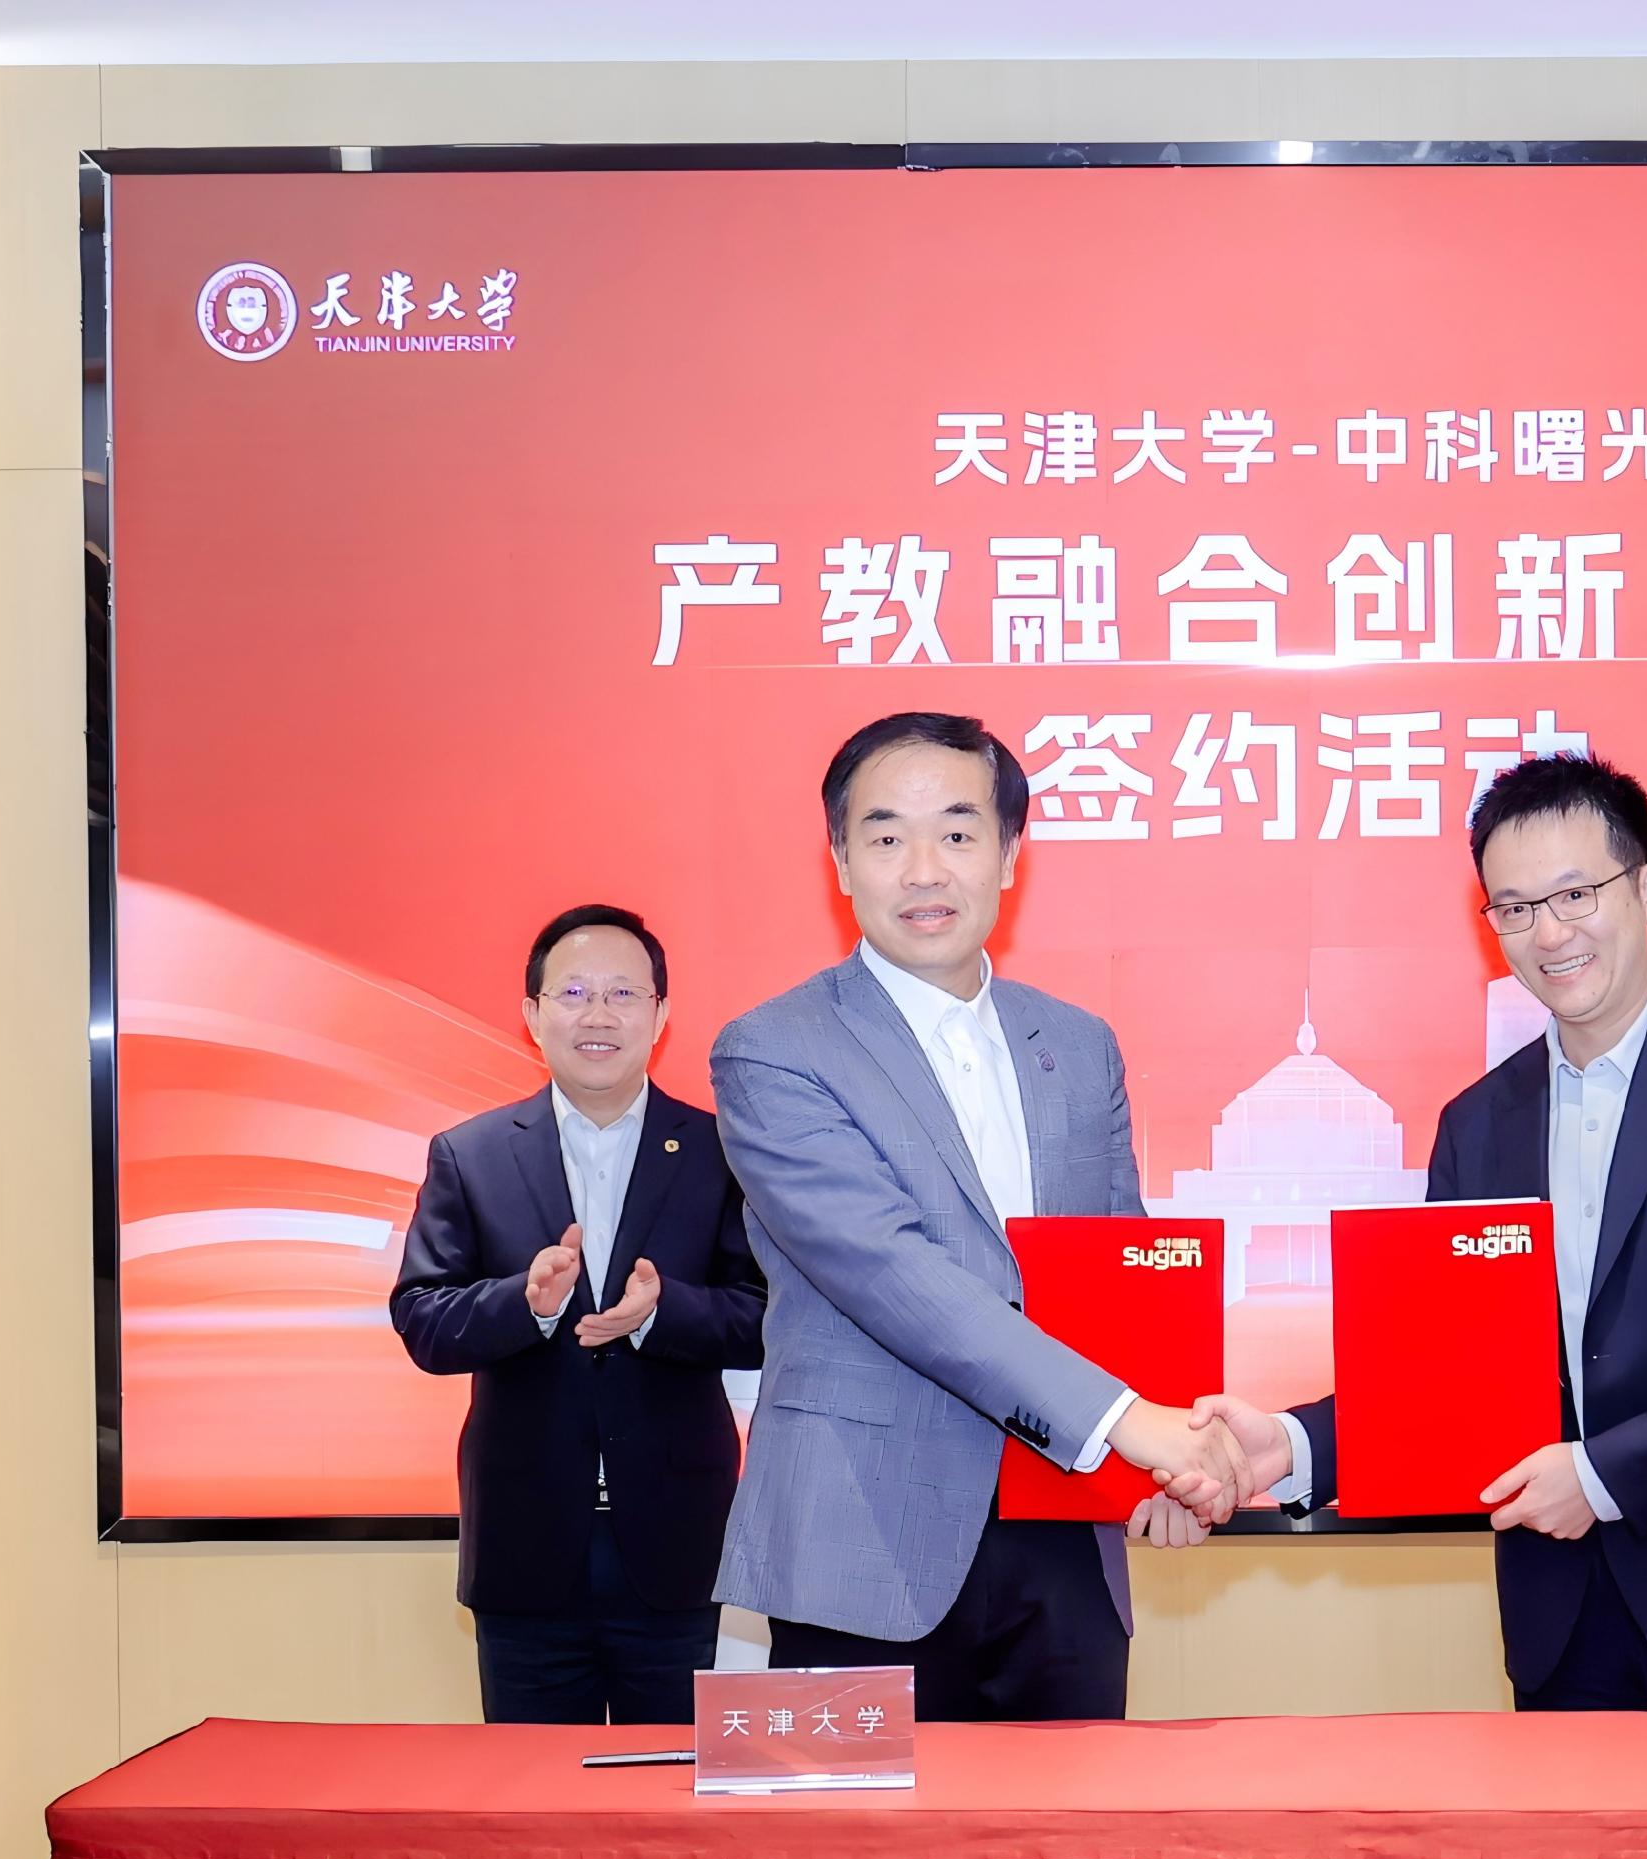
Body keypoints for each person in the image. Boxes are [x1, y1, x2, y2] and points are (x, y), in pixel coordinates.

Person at [1194, 753, 1647, 1709]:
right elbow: (1447, 1371)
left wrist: (1600, 1474)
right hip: (1563, 1614)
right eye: (1512, 907)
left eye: (1574, 894)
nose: (1548, 933)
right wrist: (1292, 1444)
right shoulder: (1478, 1122)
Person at [707, 712, 1249, 1721]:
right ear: (840, 862)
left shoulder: (1077, 1043)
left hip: (1068, 1535)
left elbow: (1123, 1269)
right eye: (885, 836)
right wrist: (1131, 1424)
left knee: (1075, 1824)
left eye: (957, 833)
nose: (924, 869)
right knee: (862, 1836)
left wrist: (1158, 1471)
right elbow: (891, 1274)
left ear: (1008, 855)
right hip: (861, 1547)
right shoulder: (773, 1049)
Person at [391, 903, 766, 1723]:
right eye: (573, 993)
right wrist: (521, 1305)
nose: (598, 1015)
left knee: (670, 1790)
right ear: (532, 1015)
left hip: (676, 1547)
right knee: (528, 1792)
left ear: (661, 1016)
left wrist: (660, 1315)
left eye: (623, 994)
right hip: (524, 1548)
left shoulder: (723, 1152)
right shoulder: (470, 1154)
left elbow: (765, 1317)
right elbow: (422, 1317)